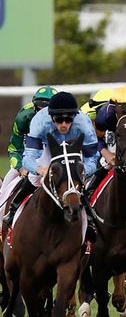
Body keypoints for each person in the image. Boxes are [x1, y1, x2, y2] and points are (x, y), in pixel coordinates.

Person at [4, 92, 100, 227]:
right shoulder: (39, 121)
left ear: (75, 116)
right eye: (59, 120)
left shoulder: (83, 123)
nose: (64, 125)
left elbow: (92, 158)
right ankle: (13, 210)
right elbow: (28, 158)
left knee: (74, 180)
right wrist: (38, 169)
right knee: (34, 178)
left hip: (72, 146)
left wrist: (82, 171)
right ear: (51, 116)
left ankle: (90, 219)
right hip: (47, 144)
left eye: (68, 120)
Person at [0, 86, 58, 210]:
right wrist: (20, 167)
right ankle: (5, 217)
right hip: (27, 157)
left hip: (53, 159)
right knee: (4, 192)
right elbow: (15, 148)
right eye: (39, 108)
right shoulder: (24, 117)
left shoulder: (65, 119)